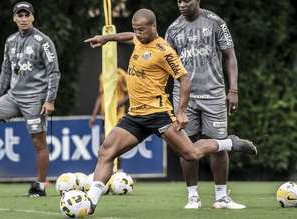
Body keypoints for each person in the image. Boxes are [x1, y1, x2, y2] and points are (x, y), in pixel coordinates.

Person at [84, 8, 256, 214]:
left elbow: (184, 80)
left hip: (158, 114)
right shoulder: (139, 39)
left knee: (191, 154)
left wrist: (181, 111)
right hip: (136, 115)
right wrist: (107, 38)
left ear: (153, 27)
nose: (137, 34)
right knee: (106, 151)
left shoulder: (164, 51)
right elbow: (128, 36)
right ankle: (90, 202)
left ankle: (230, 142)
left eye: (141, 30)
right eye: (135, 29)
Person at [0, 1, 61, 197]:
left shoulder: (43, 41)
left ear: (33, 17)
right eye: (20, 15)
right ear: (14, 18)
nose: (24, 19)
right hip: (12, 96)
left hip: (35, 98)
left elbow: (54, 73)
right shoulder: (10, 40)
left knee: (39, 143)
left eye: (27, 15)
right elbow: (6, 69)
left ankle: (40, 185)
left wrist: (49, 100)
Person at [165, 0, 244, 209]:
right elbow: (165, 63)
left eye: (186, 0)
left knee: (218, 145)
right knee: (186, 146)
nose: (182, 4)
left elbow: (230, 56)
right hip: (184, 98)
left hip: (214, 94)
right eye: (178, 0)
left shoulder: (215, 22)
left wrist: (233, 90)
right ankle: (192, 197)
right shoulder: (173, 29)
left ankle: (221, 197)